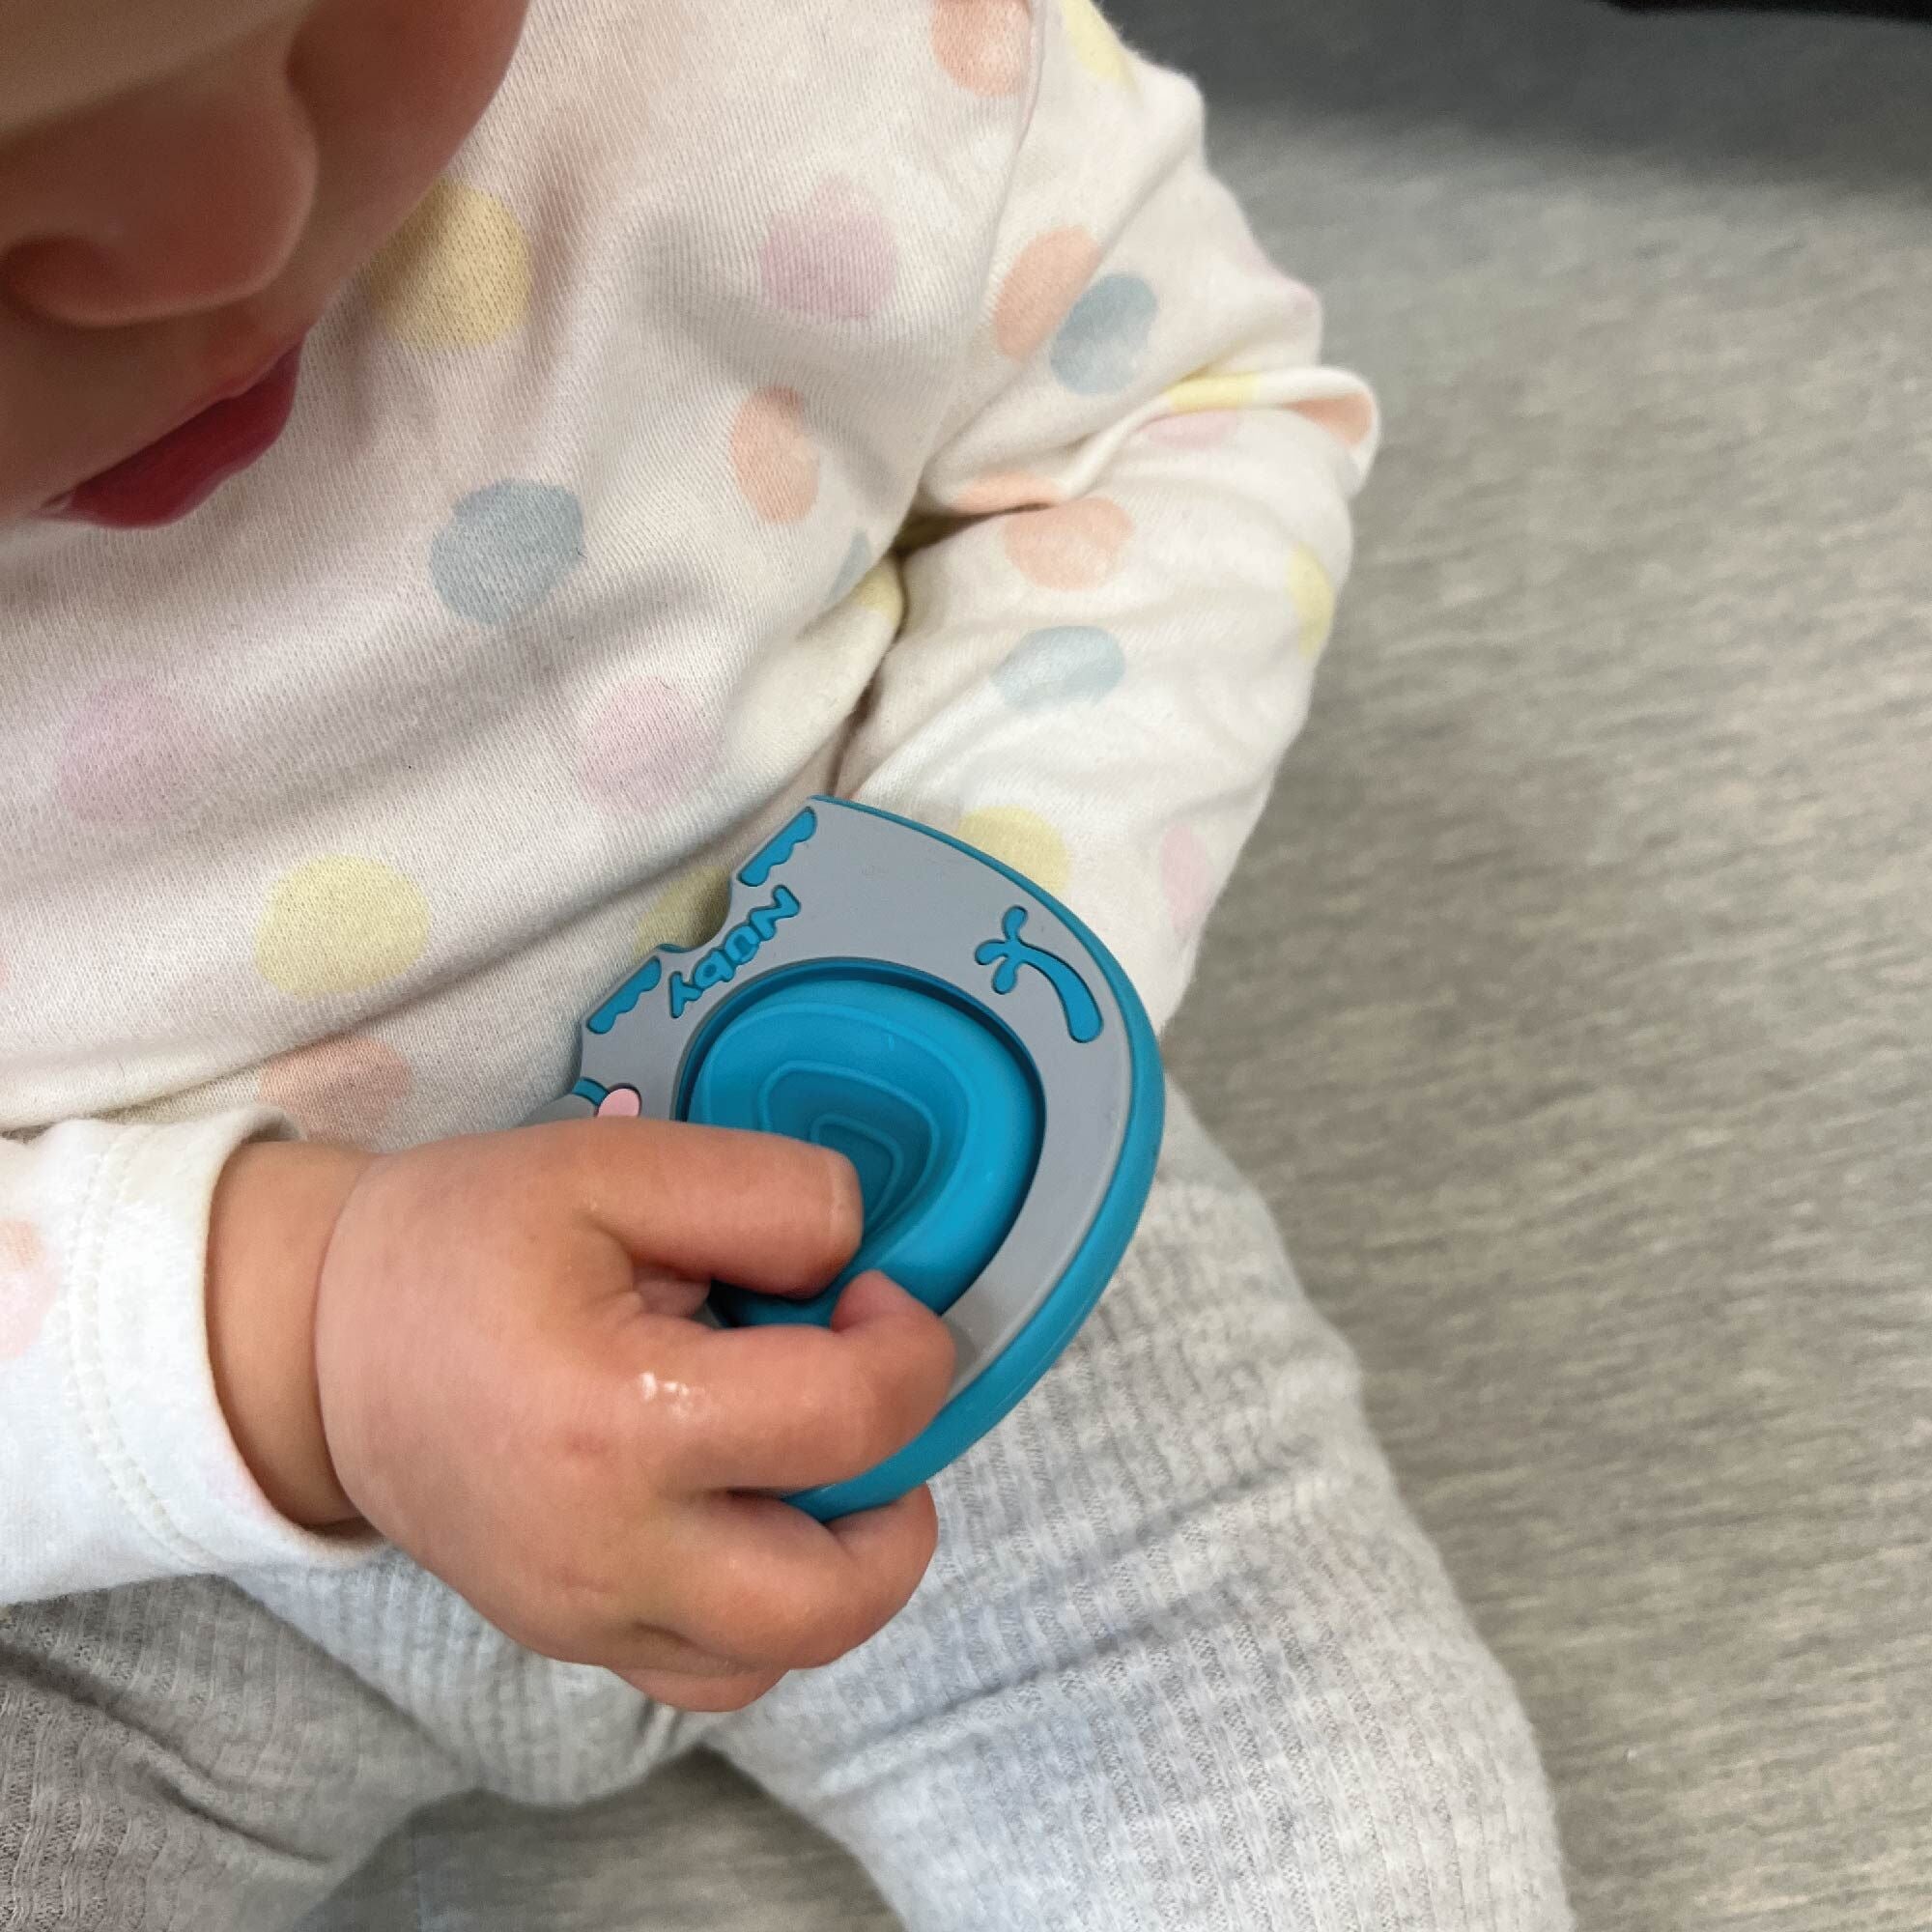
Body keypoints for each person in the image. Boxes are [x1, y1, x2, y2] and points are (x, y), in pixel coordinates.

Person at [0, 0, 1572, 1923]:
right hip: (111, 1519)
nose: (227, 219)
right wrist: (277, 1337)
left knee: (1344, 1837)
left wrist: (959, 966)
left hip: (915, 1297)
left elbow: (1177, 410)